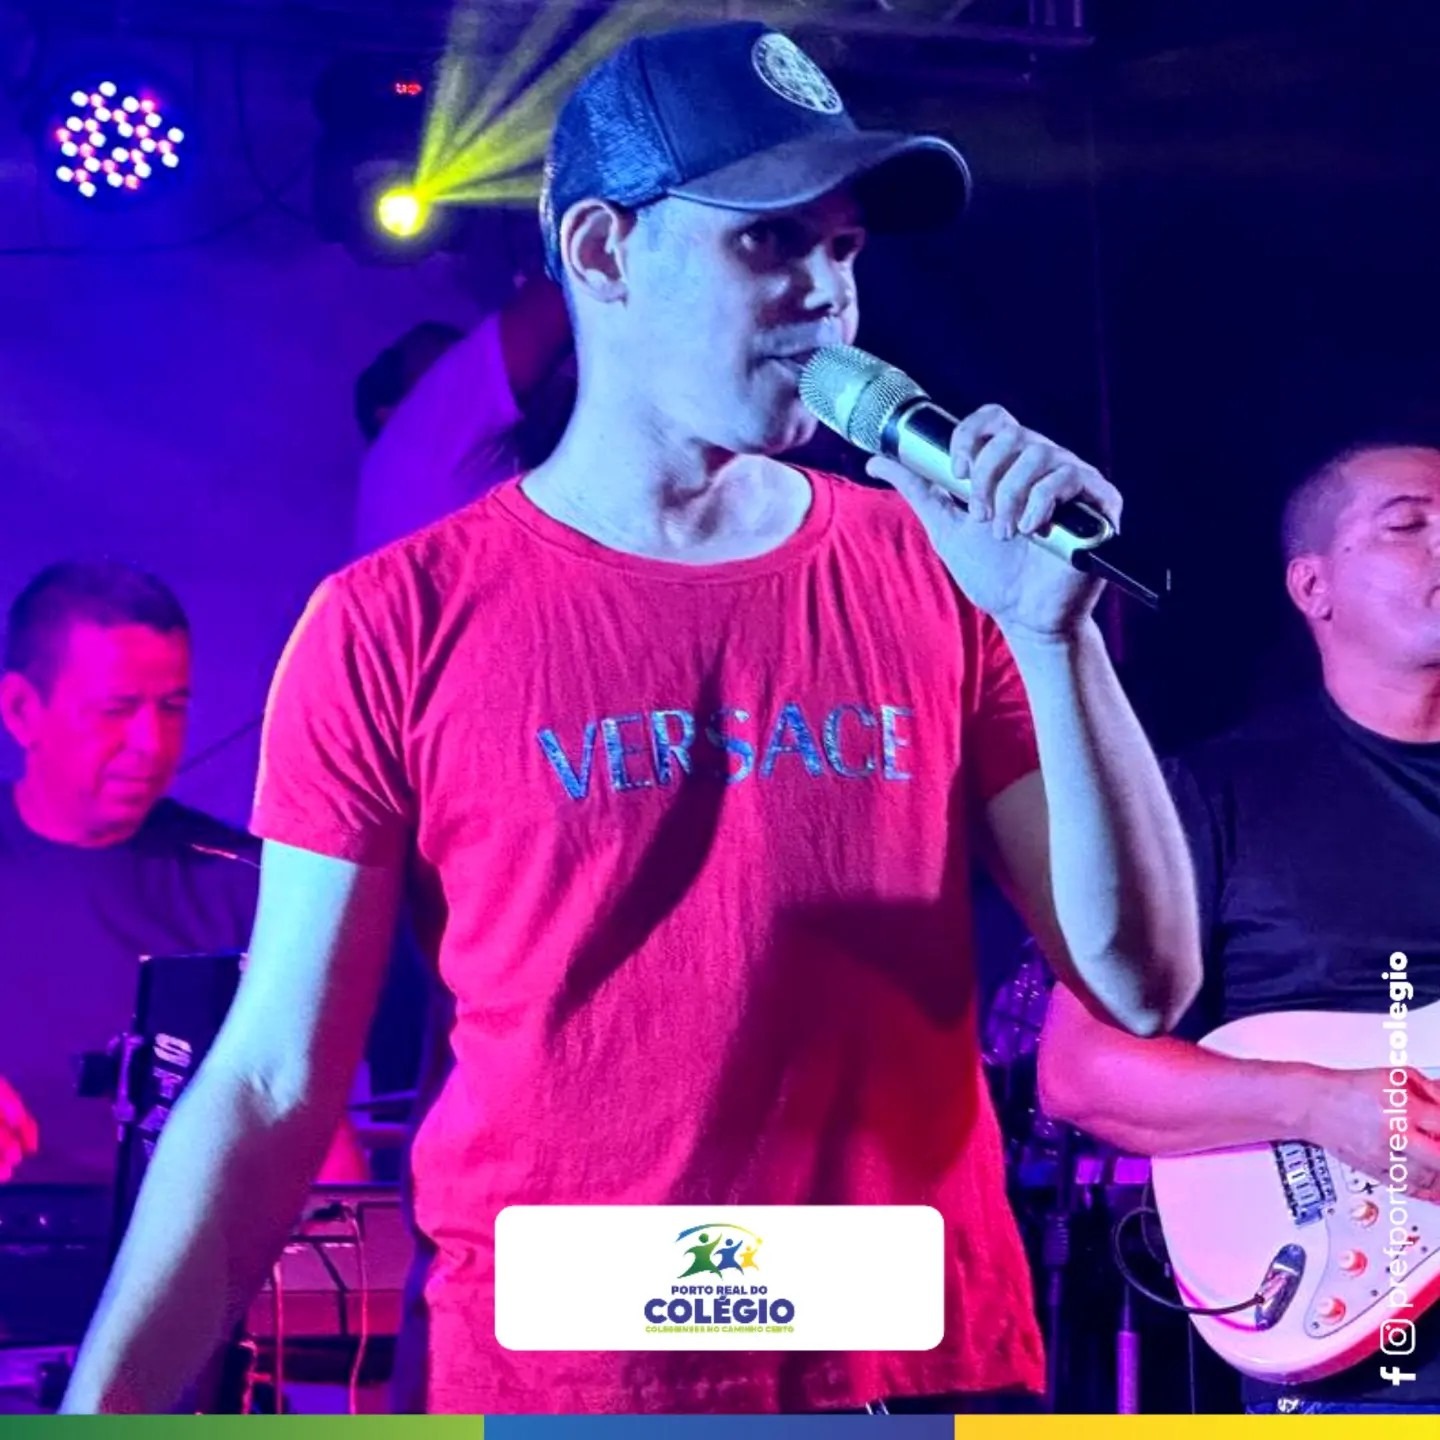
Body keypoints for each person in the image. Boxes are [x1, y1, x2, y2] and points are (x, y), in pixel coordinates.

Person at [60, 21, 1201, 1415]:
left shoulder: (938, 571)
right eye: (770, 241)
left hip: (908, 1368)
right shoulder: (391, 622)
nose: (827, 295)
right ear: (602, 252)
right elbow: (272, 1079)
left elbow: (1143, 984)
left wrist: (1050, 633)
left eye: (844, 249)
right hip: (568, 1379)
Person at [1037, 439, 1440, 1414]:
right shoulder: (1213, 795)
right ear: (1313, 586)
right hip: (1369, 1337)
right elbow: (1080, 1069)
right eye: (1410, 524)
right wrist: (1318, 1106)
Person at [0, 560, 366, 1188]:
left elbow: (305, 1117)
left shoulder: (239, 882)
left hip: (172, 1243)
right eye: (117, 709)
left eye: (172, 707)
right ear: (22, 710)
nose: (152, 742)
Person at [352, 277, 573, 555]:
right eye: (440, 369)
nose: (456, 370)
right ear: (386, 414)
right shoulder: (410, 437)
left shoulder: (390, 502)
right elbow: (550, 306)